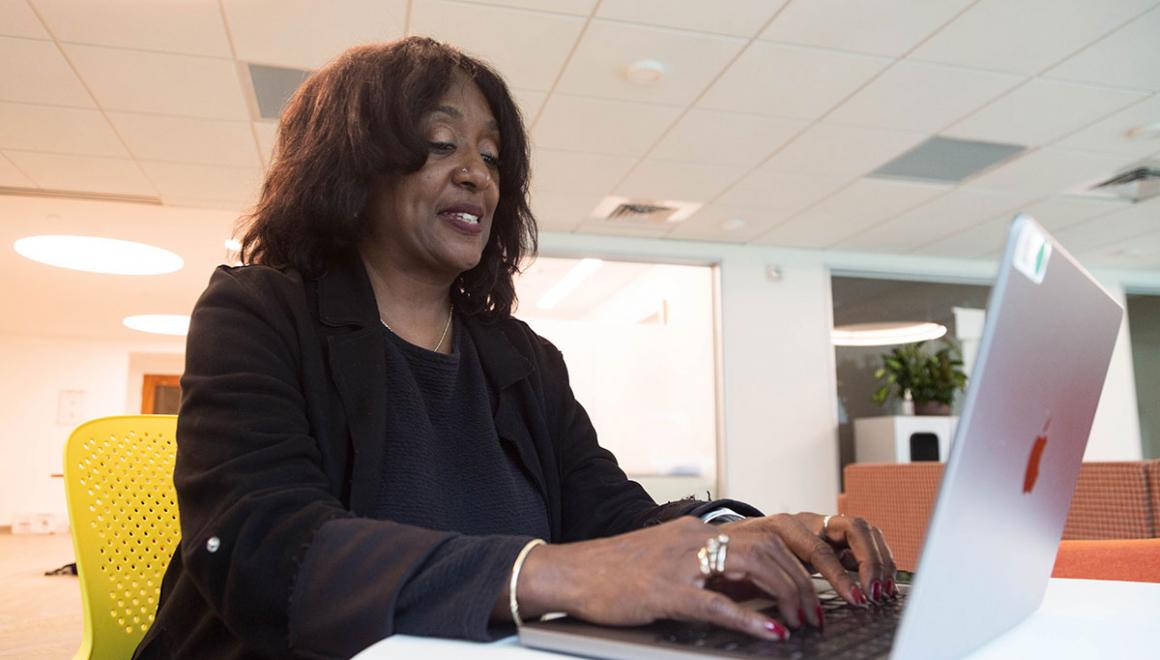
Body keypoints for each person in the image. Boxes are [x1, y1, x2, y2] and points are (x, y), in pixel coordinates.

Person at [133, 37, 896, 660]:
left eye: (493, 158)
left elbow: (611, 514)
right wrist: (545, 572)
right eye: (440, 143)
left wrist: (735, 536)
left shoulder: (522, 358)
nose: (476, 174)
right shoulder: (258, 312)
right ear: (352, 166)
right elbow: (265, 548)